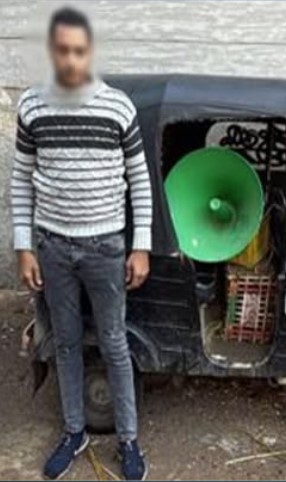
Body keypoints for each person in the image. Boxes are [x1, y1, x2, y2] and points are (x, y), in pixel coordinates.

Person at [11, 7, 152, 480]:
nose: (70, 60)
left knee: (114, 343)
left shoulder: (118, 108)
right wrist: (24, 247)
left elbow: (140, 180)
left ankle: (129, 440)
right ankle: (75, 431)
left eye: (79, 51)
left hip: (105, 248)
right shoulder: (32, 107)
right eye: (62, 51)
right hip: (53, 247)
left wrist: (140, 245)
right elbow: (21, 180)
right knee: (67, 343)